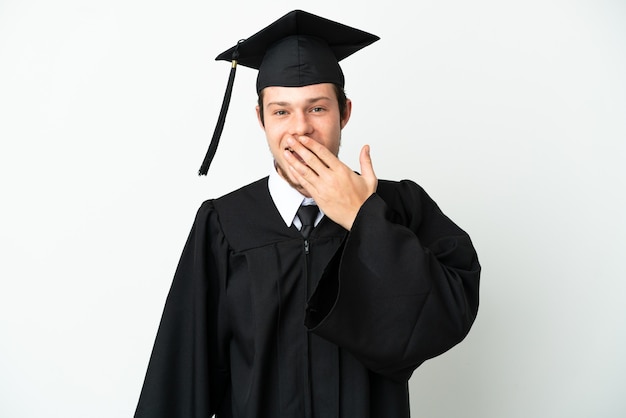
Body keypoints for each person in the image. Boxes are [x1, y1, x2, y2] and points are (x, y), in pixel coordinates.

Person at [134, 9, 480, 418]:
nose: (300, 129)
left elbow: (446, 317)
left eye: (317, 108)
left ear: (344, 112)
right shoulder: (224, 223)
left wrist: (364, 218)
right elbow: (181, 375)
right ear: (260, 119)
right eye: (281, 111)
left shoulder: (399, 207)